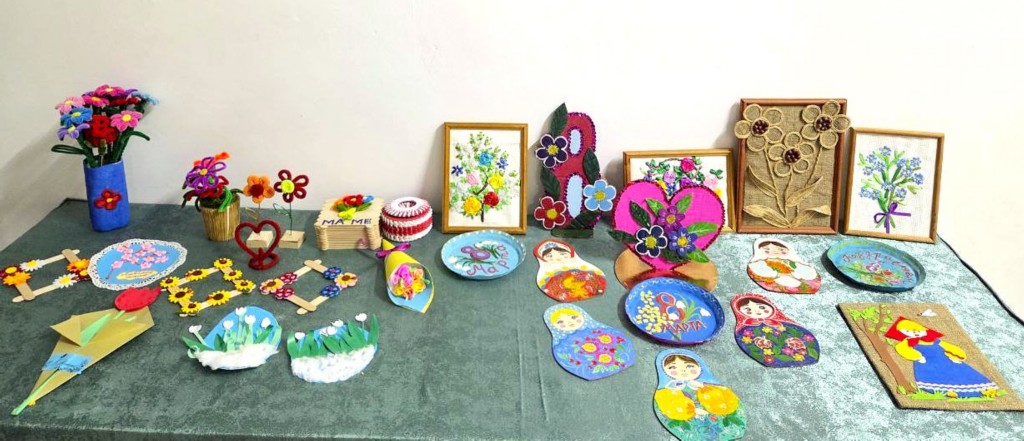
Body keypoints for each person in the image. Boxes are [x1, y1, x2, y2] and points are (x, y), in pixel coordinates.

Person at [885, 318, 999, 398]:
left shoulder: (934, 341)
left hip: (946, 360)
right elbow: (902, 349)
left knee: (961, 374)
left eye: (918, 331)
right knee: (935, 376)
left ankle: (983, 390)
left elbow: (948, 346)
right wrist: (917, 357)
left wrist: (957, 355)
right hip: (927, 363)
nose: (915, 333)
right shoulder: (908, 342)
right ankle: (948, 392)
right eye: (908, 331)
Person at [534, 240, 606, 302]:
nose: (558, 258)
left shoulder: (586, 269)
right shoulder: (549, 276)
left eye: (562, 254)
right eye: (549, 256)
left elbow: (598, 280)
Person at [746, 238, 820, 294]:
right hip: (778, 278)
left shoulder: (793, 261)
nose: (775, 252)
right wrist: (777, 274)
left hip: (798, 278)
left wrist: (795, 274)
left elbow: (805, 270)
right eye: (767, 249)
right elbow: (760, 270)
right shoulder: (760, 262)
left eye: (781, 249)